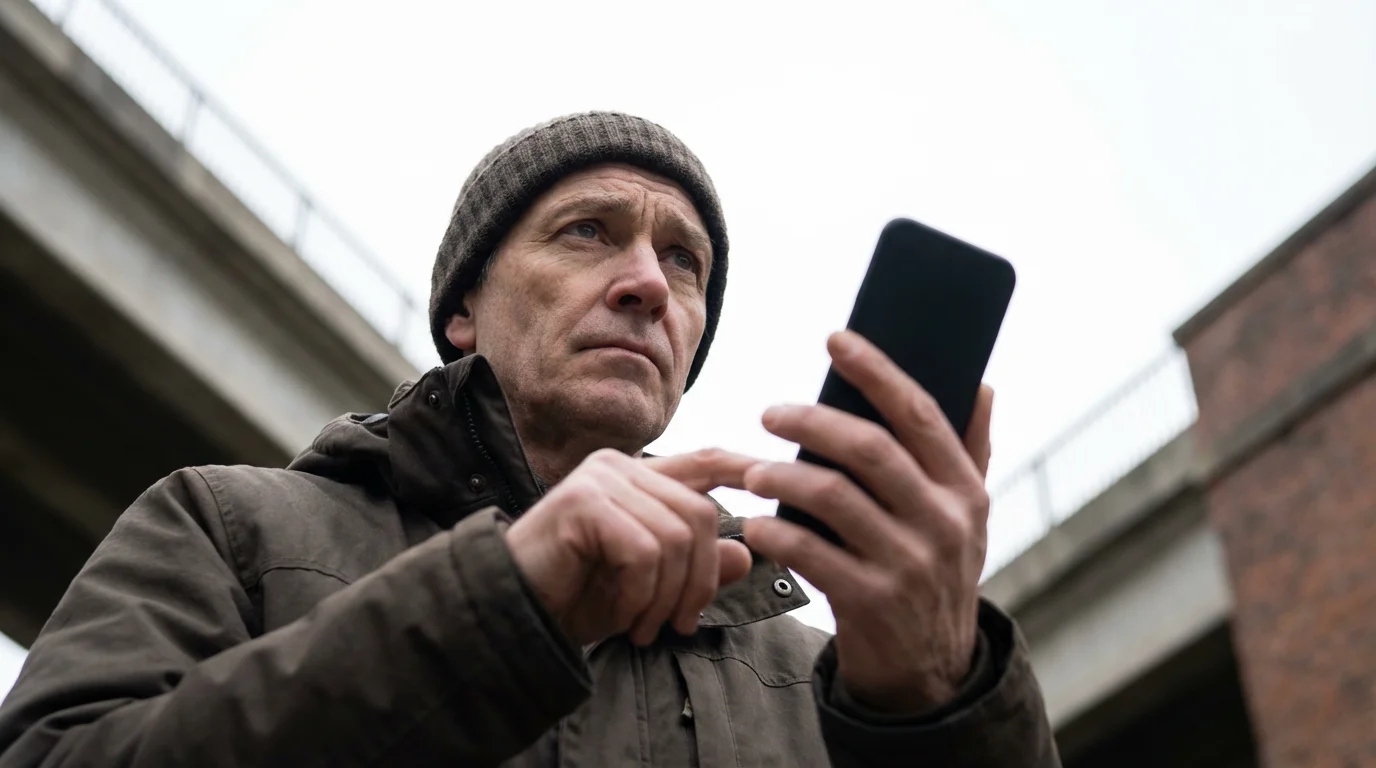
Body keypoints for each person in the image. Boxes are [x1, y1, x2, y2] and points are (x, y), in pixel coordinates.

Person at [0, 112, 1058, 767]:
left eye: (684, 264)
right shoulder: (228, 526)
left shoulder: (820, 683)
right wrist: (503, 603)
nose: (648, 283)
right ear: (464, 309)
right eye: (589, 232)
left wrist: (940, 707)